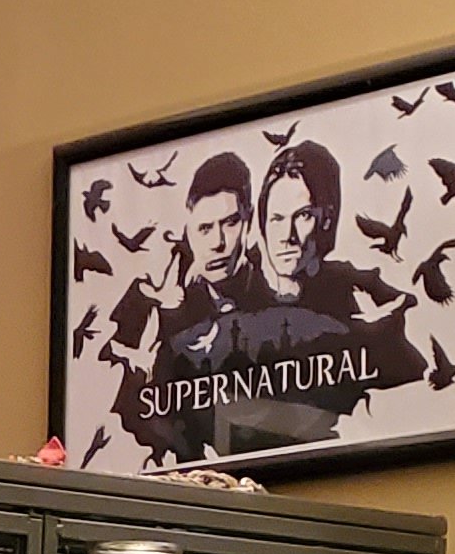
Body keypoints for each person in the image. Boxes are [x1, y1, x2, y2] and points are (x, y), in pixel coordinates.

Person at [175, 135, 423, 453]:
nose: (287, 236)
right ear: (261, 222)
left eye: (303, 216)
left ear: (326, 218)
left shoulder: (354, 293)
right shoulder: (220, 300)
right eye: (277, 219)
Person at [87, 153, 259, 465]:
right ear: (188, 228)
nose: (218, 242)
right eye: (205, 228)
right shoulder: (151, 301)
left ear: (249, 218)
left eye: (230, 223)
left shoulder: (271, 290)